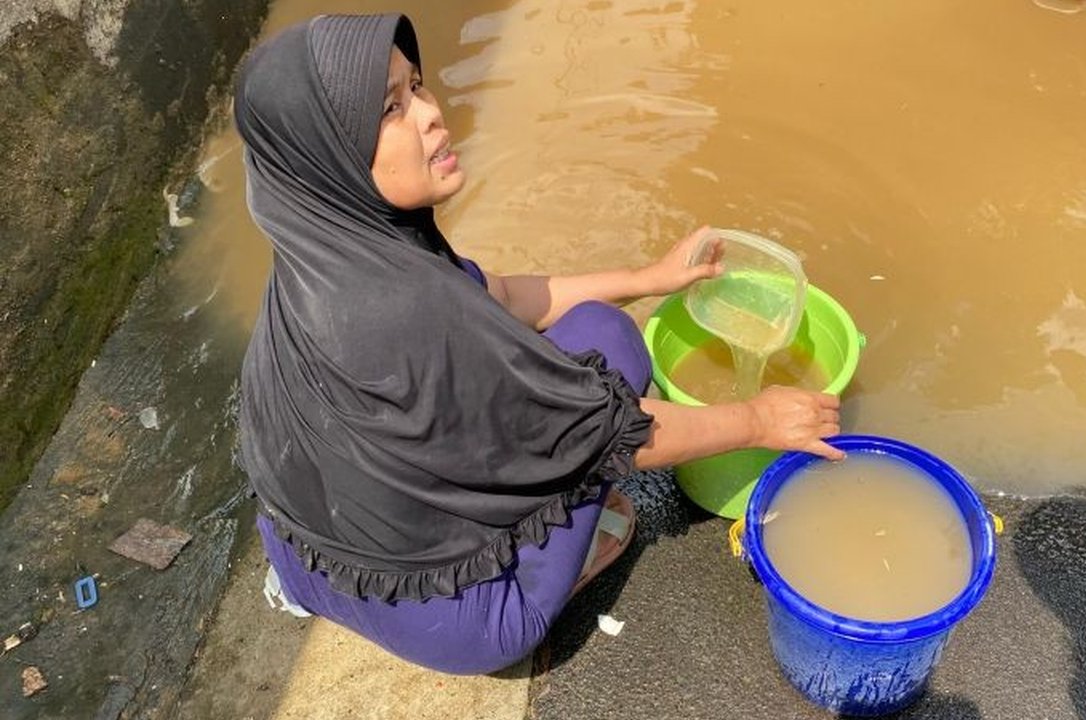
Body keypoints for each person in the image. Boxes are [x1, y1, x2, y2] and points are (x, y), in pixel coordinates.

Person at [233, 12, 843, 676]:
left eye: (418, 86)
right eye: (390, 109)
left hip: (302, 555)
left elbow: (503, 295)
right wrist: (758, 418)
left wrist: (648, 278)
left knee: (596, 329)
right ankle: (556, 572)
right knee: (611, 349)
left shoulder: (325, 251)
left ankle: (304, 593)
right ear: (330, 151)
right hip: (460, 621)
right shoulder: (412, 311)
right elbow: (614, 434)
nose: (432, 115)